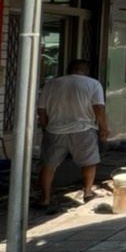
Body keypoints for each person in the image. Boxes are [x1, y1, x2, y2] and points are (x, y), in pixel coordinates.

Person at [37, 59, 108, 208]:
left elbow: (41, 110)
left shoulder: (51, 84)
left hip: (55, 130)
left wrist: (45, 126)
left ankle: (45, 199)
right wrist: (104, 128)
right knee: (88, 162)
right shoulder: (93, 84)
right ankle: (87, 193)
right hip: (83, 130)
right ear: (86, 71)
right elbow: (98, 109)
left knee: (48, 165)